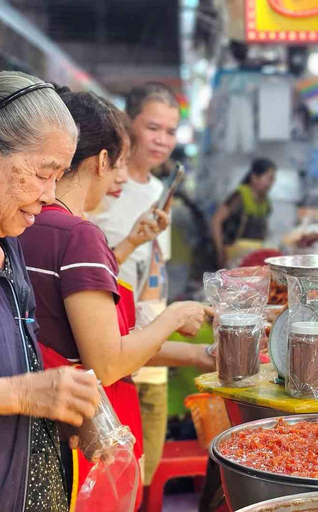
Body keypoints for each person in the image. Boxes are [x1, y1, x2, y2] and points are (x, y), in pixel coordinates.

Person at [19, 89, 214, 508]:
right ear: (101, 161)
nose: (120, 179)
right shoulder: (78, 235)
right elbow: (107, 361)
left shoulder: (25, 224)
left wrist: (197, 357)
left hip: (40, 435)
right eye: (119, 163)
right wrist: (176, 314)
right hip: (89, 438)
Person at [0, 71, 101, 512]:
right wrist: (23, 395)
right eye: (43, 173)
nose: (50, 195)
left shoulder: (11, 247)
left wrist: (59, 409)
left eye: (59, 175)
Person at [88, 81, 183, 488]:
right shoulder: (104, 188)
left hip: (150, 354)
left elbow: (154, 272)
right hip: (107, 353)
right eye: (153, 128)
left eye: (171, 131)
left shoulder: (163, 191)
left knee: (142, 476)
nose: (162, 141)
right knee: (110, 482)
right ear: (129, 123)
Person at [210, 158, 276, 267]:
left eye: (272, 179)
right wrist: (220, 251)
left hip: (254, 256)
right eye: (268, 178)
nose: (271, 183)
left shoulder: (265, 202)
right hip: (235, 256)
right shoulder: (239, 197)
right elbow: (216, 222)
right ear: (254, 178)